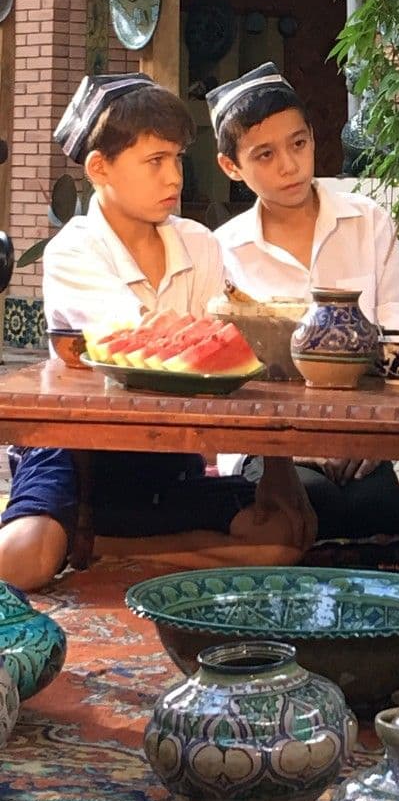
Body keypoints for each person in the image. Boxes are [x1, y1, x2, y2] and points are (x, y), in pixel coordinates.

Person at [0, 74, 317, 592]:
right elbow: (141, 348)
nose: (174, 177)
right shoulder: (73, 249)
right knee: (23, 562)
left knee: (284, 537)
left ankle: (100, 546)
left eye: (176, 158)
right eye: (155, 162)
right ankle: (100, 539)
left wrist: (279, 475)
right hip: (77, 453)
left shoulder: (199, 244)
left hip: (168, 453)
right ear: (100, 168)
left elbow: (231, 354)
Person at [210, 62, 399, 539]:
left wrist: (373, 434)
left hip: (364, 434)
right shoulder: (219, 251)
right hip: (269, 444)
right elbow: (227, 376)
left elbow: (395, 335)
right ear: (231, 167)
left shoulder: (369, 223)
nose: (289, 165)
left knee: (380, 509)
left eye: (298, 143)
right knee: (310, 507)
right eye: (264, 154)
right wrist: (297, 444)